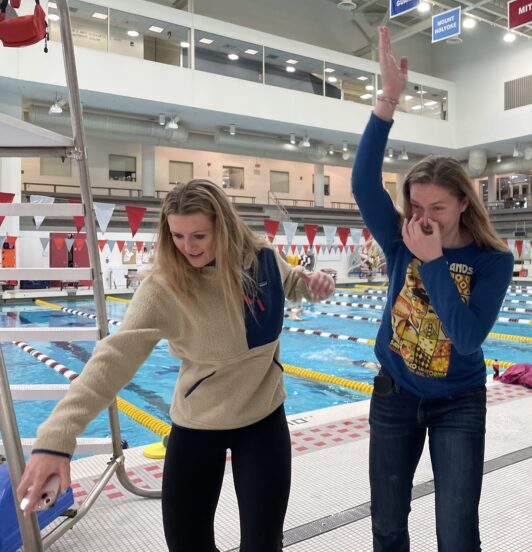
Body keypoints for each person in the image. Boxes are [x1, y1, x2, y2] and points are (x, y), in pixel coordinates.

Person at [17, 179, 335, 552]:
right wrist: (56, 439)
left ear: (225, 227)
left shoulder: (262, 259)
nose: (188, 247)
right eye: (178, 237)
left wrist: (315, 283)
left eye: (198, 235)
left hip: (263, 424)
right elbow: (111, 359)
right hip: (197, 427)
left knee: (263, 545)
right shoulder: (164, 287)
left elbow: (291, 282)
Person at [352, 26, 513, 552]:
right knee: (387, 525)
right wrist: (387, 101)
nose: (423, 219)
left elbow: (466, 339)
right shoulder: (401, 237)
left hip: (459, 402)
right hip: (395, 395)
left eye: (437, 209)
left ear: (463, 203)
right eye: (415, 207)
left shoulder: (492, 261)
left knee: (457, 533)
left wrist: (435, 262)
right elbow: (362, 184)